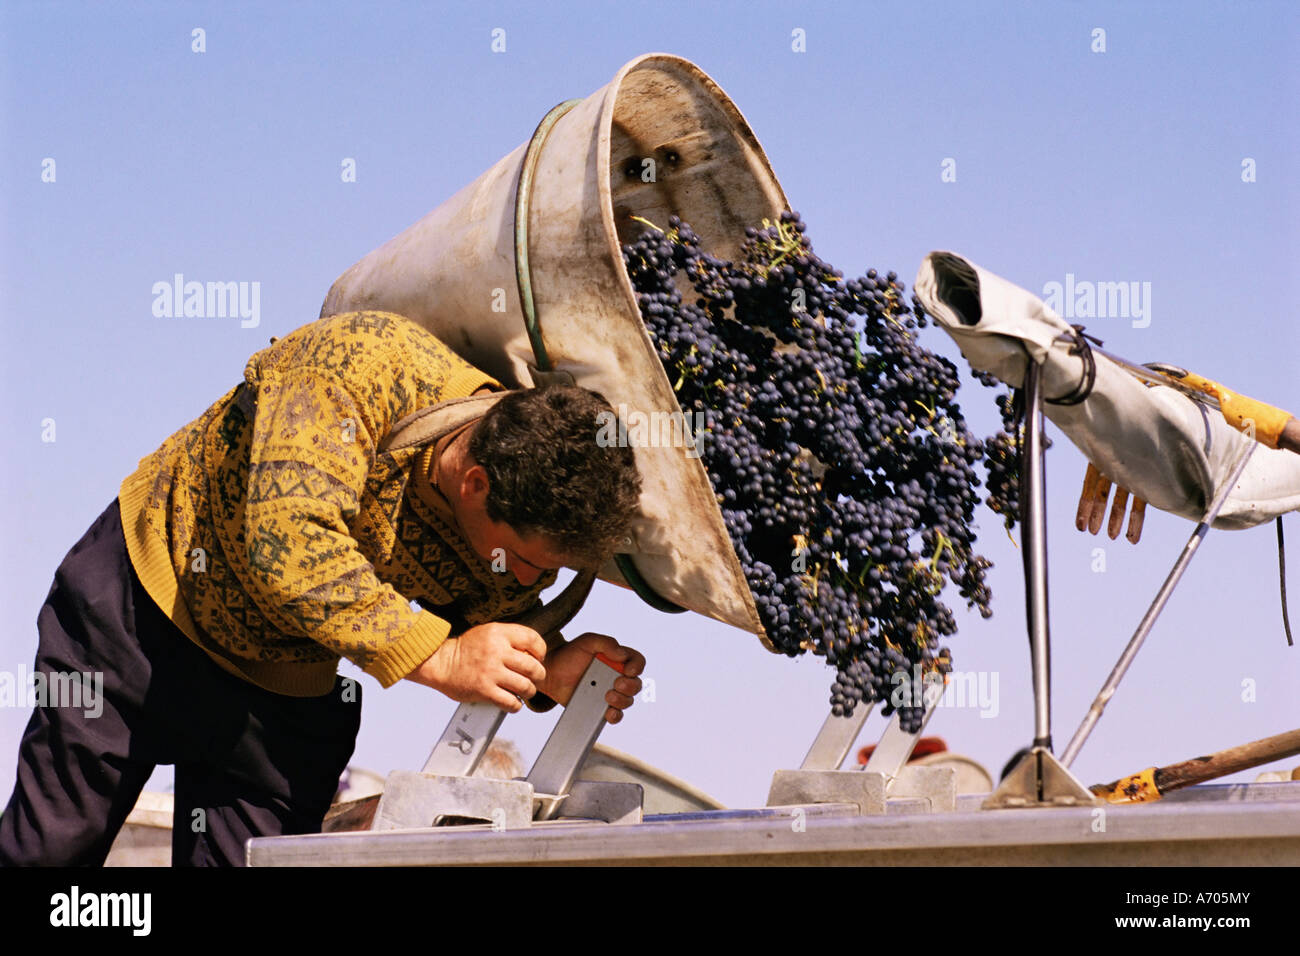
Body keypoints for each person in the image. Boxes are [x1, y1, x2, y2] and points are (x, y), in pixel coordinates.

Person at [0, 310, 646, 866]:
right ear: (474, 483)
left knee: (260, 868)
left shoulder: (503, 513)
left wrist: (546, 665)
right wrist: (439, 656)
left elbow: (494, 607)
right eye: (530, 561)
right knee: (53, 849)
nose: (531, 581)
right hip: (142, 610)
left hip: (284, 673)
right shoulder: (358, 365)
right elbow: (289, 543)